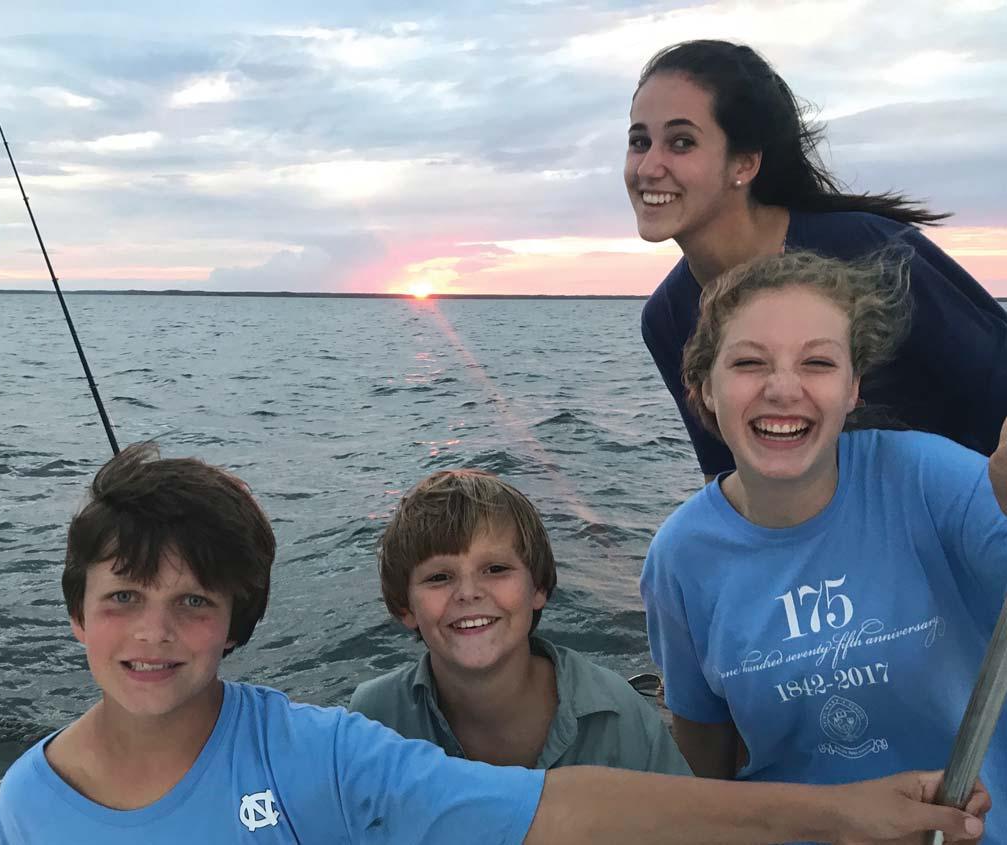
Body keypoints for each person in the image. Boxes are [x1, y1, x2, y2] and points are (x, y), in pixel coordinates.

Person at [0, 442, 990, 844]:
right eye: (122, 597)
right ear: (74, 610)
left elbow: (561, 806)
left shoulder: (324, 754)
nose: (154, 631)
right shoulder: (26, 801)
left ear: (236, 619)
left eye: (192, 600)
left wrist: (837, 813)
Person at [639, 250, 1007, 843]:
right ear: (704, 387)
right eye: (749, 362)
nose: (784, 389)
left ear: (853, 387)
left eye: (818, 362)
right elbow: (706, 763)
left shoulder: (931, 480)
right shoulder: (680, 557)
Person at [628, 39, 1007, 481]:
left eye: (681, 142)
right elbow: (728, 478)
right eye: (639, 142)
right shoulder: (668, 317)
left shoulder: (867, 249)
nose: (648, 167)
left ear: (744, 163)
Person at [349, 468, 690, 775]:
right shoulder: (374, 718)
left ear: (538, 587)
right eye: (439, 577)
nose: (468, 593)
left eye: (495, 569)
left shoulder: (619, 717)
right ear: (405, 606)